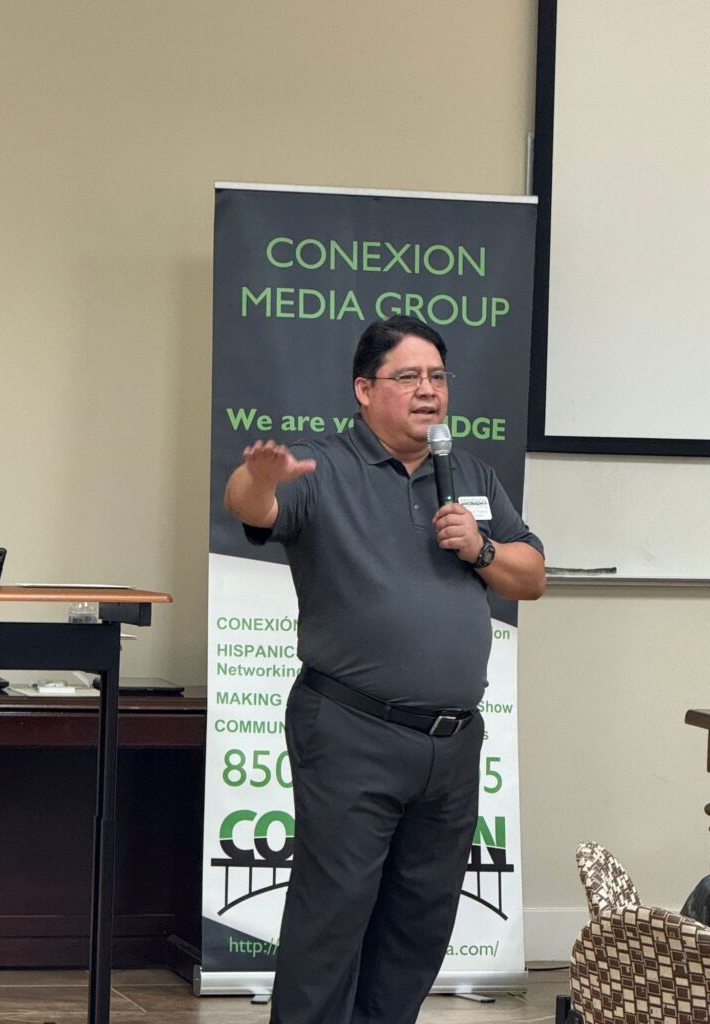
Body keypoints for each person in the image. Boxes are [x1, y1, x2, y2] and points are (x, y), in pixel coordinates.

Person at [224, 315, 545, 1024]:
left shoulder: (470, 474)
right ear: (364, 390)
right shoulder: (323, 468)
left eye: (437, 377)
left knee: (418, 923)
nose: (428, 391)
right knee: (332, 917)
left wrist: (482, 549)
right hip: (351, 730)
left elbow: (532, 577)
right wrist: (257, 478)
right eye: (408, 377)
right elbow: (253, 505)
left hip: (452, 743)